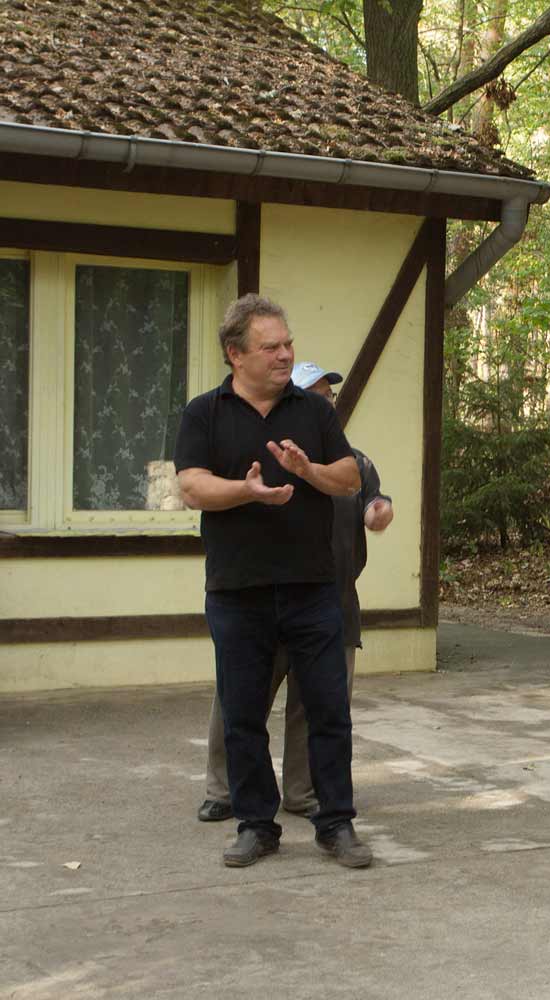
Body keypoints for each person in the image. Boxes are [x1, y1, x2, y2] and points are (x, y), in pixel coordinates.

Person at [175, 295, 374, 870]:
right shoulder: (204, 413)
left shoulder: (313, 412)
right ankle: (256, 826)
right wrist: (248, 492)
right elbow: (191, 486)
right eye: (272, 347)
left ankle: (336, 824)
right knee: (242, 715)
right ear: (236, 355)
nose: (287, 354)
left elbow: (349, 475)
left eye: (288, 343)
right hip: (238, 591)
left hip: (312, 588)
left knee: (329, 711)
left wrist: (307, 470)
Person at [196, 361, 393, 824]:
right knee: (238, 703)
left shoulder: (354, 461)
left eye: (330, 395)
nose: (327, 402)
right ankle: (223, 790)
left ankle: (304, 795)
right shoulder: (256, 457)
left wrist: (379, 511)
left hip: (333, 606)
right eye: (316, 394)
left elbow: (371, 501)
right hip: (263, 603)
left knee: (319, 709)